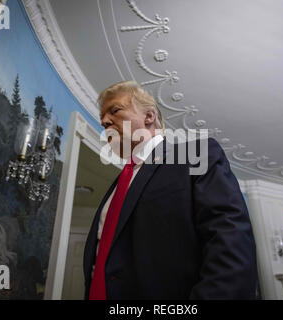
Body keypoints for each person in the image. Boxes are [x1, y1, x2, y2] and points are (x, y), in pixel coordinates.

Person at [83, 80, 257, 299]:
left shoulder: (197, 155)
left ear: (149, 116)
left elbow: (231, 246)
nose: (105, 121)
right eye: (102, 121)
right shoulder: (117, 186)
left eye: (115, 110)